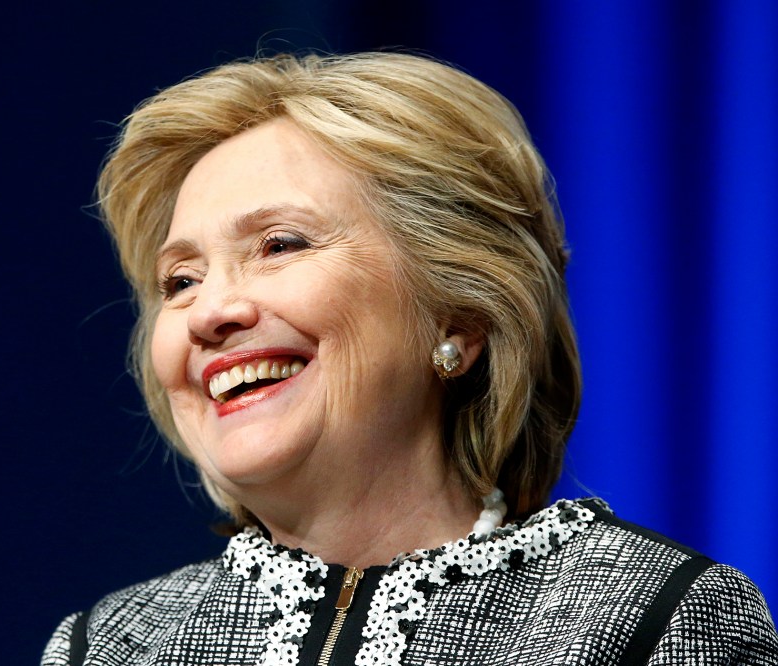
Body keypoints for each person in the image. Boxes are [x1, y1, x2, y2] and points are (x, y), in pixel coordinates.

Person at [42, 52, 777, 665]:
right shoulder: (107, 647)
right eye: (180, 281)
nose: (209, 313)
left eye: (279, 245)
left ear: (460, 314)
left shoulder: (653, 621)